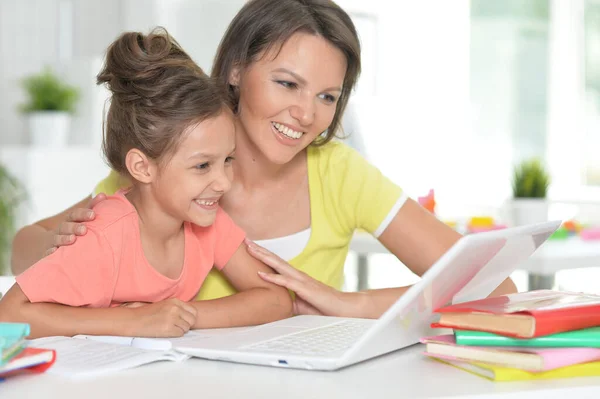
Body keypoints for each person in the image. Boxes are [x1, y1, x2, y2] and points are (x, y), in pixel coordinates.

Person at [10, 0, 516, 320]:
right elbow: (23, 254)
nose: (305, 114)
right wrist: (64, 241)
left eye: (327, 96)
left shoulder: (339, 172)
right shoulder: (162, 170)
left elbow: (495, 283)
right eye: (287, 83)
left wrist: (347, 303)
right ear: (234, 70)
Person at [0, 29, 293, 339]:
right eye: (202, 165)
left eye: (228, 160)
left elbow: (275, 299)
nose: (222, 182)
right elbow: (9, 314)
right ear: (142, 167)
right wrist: (132, 321)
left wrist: (182, 315)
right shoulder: (104, 236)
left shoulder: (206, 222)